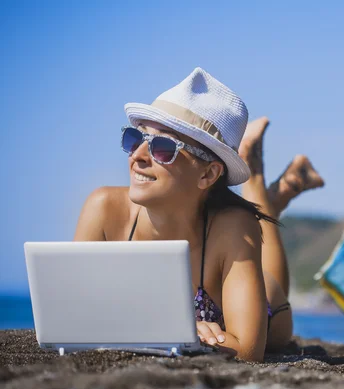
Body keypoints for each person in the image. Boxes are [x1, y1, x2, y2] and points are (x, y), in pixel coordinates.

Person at [73, 68, 324, 362]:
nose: (137, 155)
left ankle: (255, 178)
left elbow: (248, 350)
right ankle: (278, 190)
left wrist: (169, 331)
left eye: (162, 147)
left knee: (270, 287)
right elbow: (76, 317)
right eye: (135, 138)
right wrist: (172, 330)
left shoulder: (234, 227)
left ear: (208, 173)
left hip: (267, 310)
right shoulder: (102, 208)